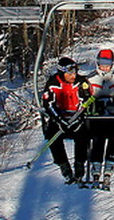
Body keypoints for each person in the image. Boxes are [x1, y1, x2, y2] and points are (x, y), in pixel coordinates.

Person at [40, 56, 92, 184]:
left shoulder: (80, 82)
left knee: (82, 136)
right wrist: (59, 120)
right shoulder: (53, 84)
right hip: (60, 117)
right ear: (62, 72)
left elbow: (86, 100)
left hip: (76, 117)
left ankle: (80, 165)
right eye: (70, 73)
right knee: (52, 136)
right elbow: (48, 104)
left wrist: (78, 118)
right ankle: (64, 166)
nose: (73, 75)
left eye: (74, 72)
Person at [87, 48, 114, 188]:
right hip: (98, 116)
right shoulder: (91, 78)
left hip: (113, 114)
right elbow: (87, 96)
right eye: (102, 64)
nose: (105, 67)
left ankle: (110, 162)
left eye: (107, 64)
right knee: (98, 136)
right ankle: (96, 165)